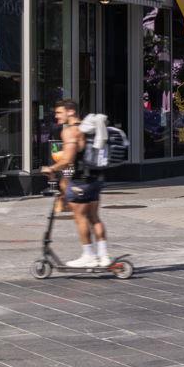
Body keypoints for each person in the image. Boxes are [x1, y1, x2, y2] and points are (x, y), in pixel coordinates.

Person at [49, 98, 111, 268]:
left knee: (80, 218)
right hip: (96, 178)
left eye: (59, 113)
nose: (56, 116)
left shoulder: (70, 131)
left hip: (80, 181)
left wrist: (52, 168)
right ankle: (104, 256)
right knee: (94, 217)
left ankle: (88, 255)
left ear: (70, 112)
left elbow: (68, 159)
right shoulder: (89, 127)